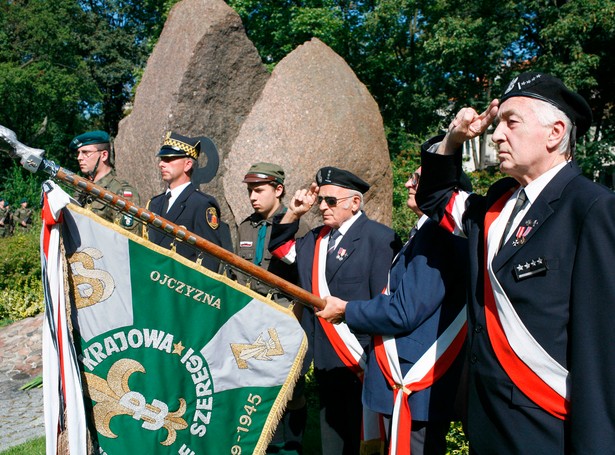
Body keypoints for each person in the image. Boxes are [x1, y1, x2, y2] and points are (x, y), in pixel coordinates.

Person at [415, 72, 615, 453]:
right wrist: (454, 137)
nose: (495, 135)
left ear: (555, 133)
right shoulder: (495, 206)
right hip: (486, 422)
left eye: (511, 122)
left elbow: (601, 347)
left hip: (545, 425)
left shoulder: (591, 208)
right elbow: (435, 196)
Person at [317, 168, 471, 455]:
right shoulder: (426, 232)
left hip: (414, 380)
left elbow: (405, 311)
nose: (407, 183)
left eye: (417, 178)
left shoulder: (439, 235)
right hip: (405, 376)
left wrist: (347, 309)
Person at [269, 167, 402, 455]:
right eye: (321, 201)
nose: (322, 207)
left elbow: (384, 302)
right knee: (333, 443)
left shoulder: (379, 239)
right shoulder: (317, 238)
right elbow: (280, 249)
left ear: (355, 203)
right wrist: (294, 213)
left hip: (362, 361)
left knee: (365, 442)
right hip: (327, 359)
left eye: (331, 201)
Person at [235, 162, 310, 454]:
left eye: (259, 190)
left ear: (278, 190)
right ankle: (262, 444)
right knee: (256, 387)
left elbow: (303, 278)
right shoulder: (245, 226)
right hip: (250, 319)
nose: (253, 197)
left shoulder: (297, 226)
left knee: (291, 392)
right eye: (250, 191)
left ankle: (291, 446)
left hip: (284, 318)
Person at [147, 131, 230, 272]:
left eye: (169, 159)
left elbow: (210, 258)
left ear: (187, 165)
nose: (161, 164)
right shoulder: (155, 203)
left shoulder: (201, 204)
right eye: (162, 159)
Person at [69, 130, 141, 232]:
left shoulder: (121, 191)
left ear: (104, 155)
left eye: (86, 153)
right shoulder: (81, 190)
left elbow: (127, 239)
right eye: (78, 153)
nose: (79, 158)